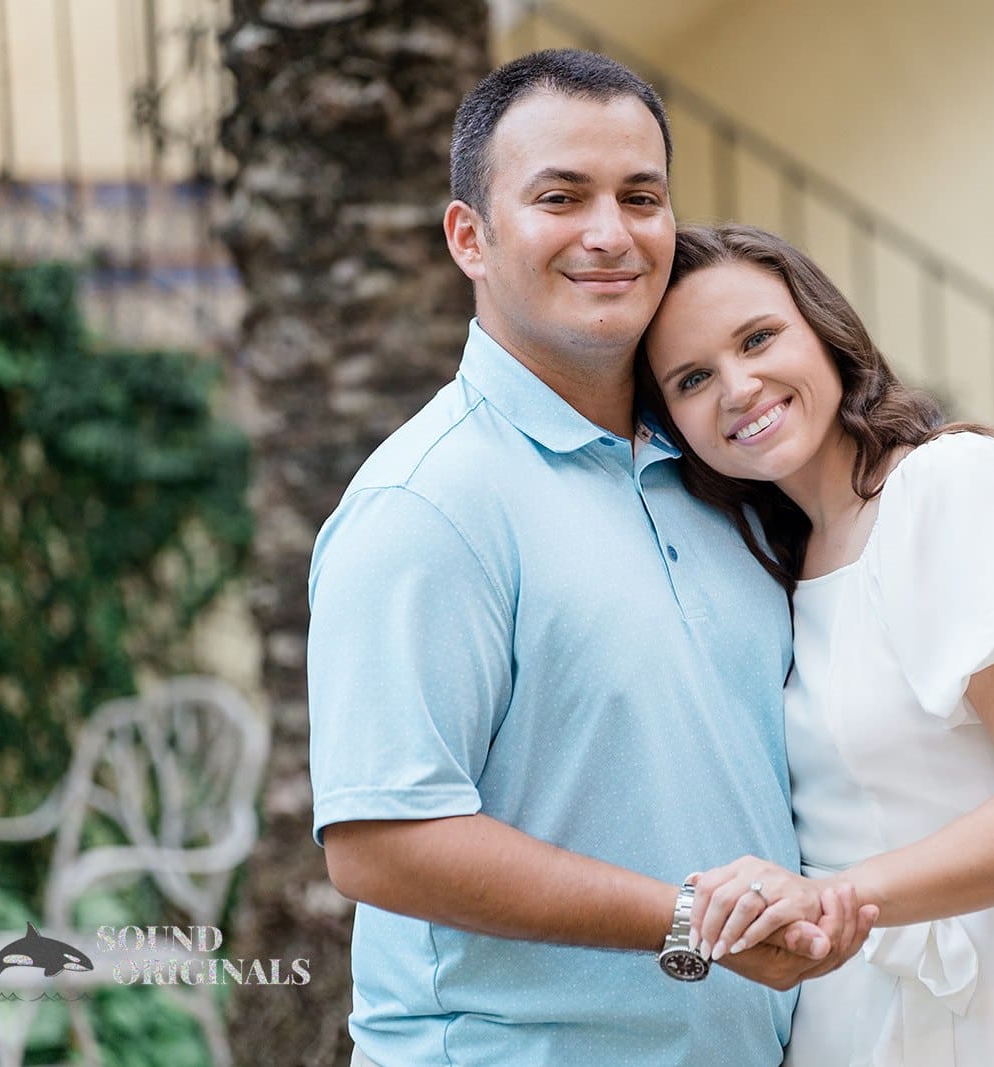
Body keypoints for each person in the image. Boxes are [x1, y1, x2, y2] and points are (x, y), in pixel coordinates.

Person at [306, 54, 875, 1067]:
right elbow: (380, 841)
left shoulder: (714, 468)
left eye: (640, 197)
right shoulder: (425, 505)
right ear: (469, 237)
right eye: (561, 197)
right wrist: (690, 919)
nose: (610, 233)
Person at [640, 223, 994, 1065]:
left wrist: (839, 898)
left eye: (758, 338)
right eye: (692, 377)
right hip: (853, 1023)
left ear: (826, 331)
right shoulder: (779, 564)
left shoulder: (952, 486)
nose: (739, 387)